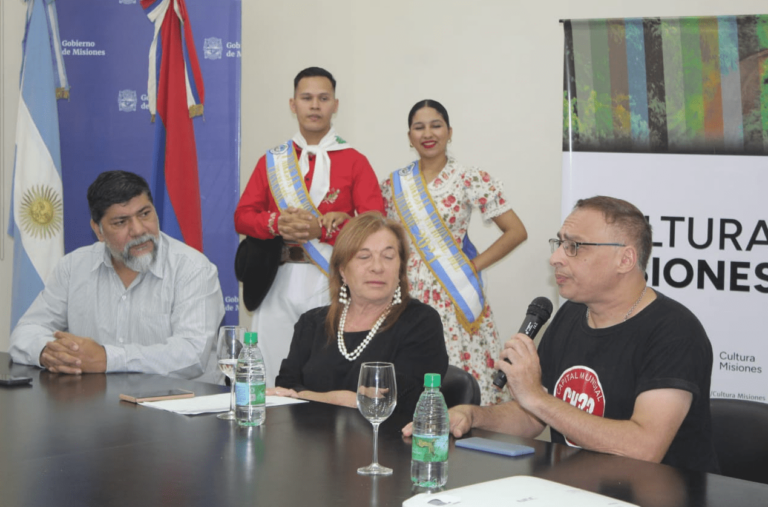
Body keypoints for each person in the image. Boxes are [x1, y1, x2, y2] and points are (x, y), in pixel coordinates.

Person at [405, 196, 718, 473]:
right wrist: (473, 415)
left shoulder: (675, 332)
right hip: (574, 488)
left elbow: (643, 449)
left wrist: (537, 398)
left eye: (575, 246)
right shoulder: (571, 313)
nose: (556, 258)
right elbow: (533, 417)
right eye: (560, 244)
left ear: (625, 259)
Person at [235, 67, 385, 387]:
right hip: (277, 276)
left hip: (329, 277)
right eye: (306, 98)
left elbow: (376, 223)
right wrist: (275, 222)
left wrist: (329, 231)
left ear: (335, 105)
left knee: (324, 372)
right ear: (293, 105)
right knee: (270, 369)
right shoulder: (272, 160)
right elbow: (243, 216)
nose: (314, 105)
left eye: (323, 98)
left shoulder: (354, 160)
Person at [9, 170, 225, 380]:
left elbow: (192, 355)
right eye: (121, 222)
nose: (139, 230)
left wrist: (107, 358)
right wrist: (52, 354)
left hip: (179, 407)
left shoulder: (193, 269)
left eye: (145, 214)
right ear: (98, 230)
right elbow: (25, 333)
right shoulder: (73, 267)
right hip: (95, 406)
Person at [381, 99, 527, 405]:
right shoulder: (393, 185)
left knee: (461, 384)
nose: (428, 133)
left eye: (436, 125)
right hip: (406, 295)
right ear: (409, 136)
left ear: (449, 131)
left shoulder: (470, 178)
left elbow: (516, 231)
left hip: (453, 295)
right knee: (409, 382)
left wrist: (473, 265)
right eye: (419, 127)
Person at [270, 212, 448, 416]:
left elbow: (397, 401)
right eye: (364, 257)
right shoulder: (312, 323)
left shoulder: (420, 322)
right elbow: (284, 391)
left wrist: (307, 395)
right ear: (343, 270)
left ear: (400, 271)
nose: (377, 267)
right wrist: (344, 399)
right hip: (310, 444)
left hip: (386, 444)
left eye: (388, 257)